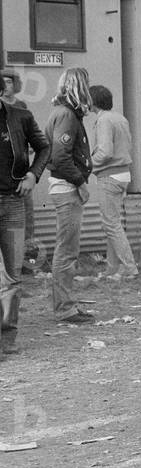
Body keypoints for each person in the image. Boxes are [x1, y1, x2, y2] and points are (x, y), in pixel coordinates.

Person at [0, 75, 49, 356]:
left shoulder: (21, 117)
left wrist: (33, 174)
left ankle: (7, 339)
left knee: (12, 274)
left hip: (12, 204)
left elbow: (44, 147)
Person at [45, 68, 94, 323]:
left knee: (67, 249)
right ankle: (65, 308)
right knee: (67, 250)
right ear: (79, 86)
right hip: (67, 188)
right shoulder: (67, 116)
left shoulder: (64, 113)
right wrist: (80, 183)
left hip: (64, 186)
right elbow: (59, 157)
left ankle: (66, 305)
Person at [88, 85, 139, 280]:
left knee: (111, 224)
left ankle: (129, 267)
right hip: (123, 174)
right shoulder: (119, 118)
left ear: (93, 101)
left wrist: (87, 164)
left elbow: (105, 152)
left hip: (109, 175)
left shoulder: (103, 120)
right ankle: (112, 268)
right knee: (112, 223)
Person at [1, 69, 40, 275]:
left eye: (9, 81)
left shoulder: (21, 107)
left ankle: (29, 265)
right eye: (3, 82)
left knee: (28, 219)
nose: (6, 85)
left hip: (21, 173)